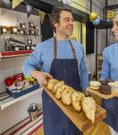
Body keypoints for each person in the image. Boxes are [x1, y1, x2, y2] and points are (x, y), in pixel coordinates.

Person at [22, 6, 89, 135]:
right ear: (55, 23)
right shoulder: (42, 47)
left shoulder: (79, 47)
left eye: (72, 20)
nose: (71, 23)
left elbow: (84, 70)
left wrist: (86, 91)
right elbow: (26, 66)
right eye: (67, 20)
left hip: (75, 102)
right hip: (52, 104)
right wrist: (37, 74)